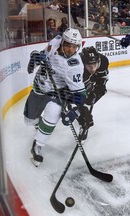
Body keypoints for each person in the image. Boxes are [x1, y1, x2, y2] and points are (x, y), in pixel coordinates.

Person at [23, 28, 86, 166]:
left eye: (73, 46)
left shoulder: (75, 65)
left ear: (78, 46)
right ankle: (40, 126)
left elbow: (80, 95)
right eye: (67, 44)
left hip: (58, 92)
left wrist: (74, 110)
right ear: (62, 41)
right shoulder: (55, 42)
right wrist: (35, 59)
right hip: (40, 87)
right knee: (29, 120)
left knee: (53, 113)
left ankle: (38, 145)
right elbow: (42, 55)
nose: (70, 49)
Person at [78, 46, 109, 141]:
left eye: (95, 64)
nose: (92, 68)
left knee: (101, 90)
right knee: (81, 100)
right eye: (89, 65)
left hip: (92, 78)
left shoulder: (103, 61)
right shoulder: (77, 67)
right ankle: (83, 122)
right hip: (79, 82)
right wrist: (83, 111)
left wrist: (95, 94)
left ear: (99, 61)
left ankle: (84, 111)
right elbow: (76, 93)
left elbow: (103, 78)